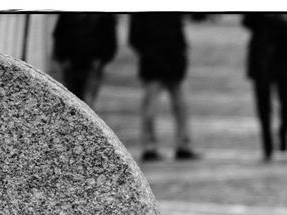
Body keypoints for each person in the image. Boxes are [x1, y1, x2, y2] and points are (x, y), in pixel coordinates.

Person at [128, 13, 198, 161]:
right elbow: (135, 38)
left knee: (179, 106)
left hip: (169, 62)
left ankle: (179, 145)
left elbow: (177, 33)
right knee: (153, 107)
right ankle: (152, 146)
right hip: (156, 63)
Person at [242, 13, 287, 162]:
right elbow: (247, 21)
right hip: (261, 53)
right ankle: (267, 143)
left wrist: (278, 20)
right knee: (263, 103)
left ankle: (283, 135)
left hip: (285, 54)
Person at [51, 13, 118, 107]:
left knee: (87, 100)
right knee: (71, 99)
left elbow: (110, 37)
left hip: (92, 64)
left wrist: (102, 59)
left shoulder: (104, 15)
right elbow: (59, 33)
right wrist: (61, 57)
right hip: (71, 62)